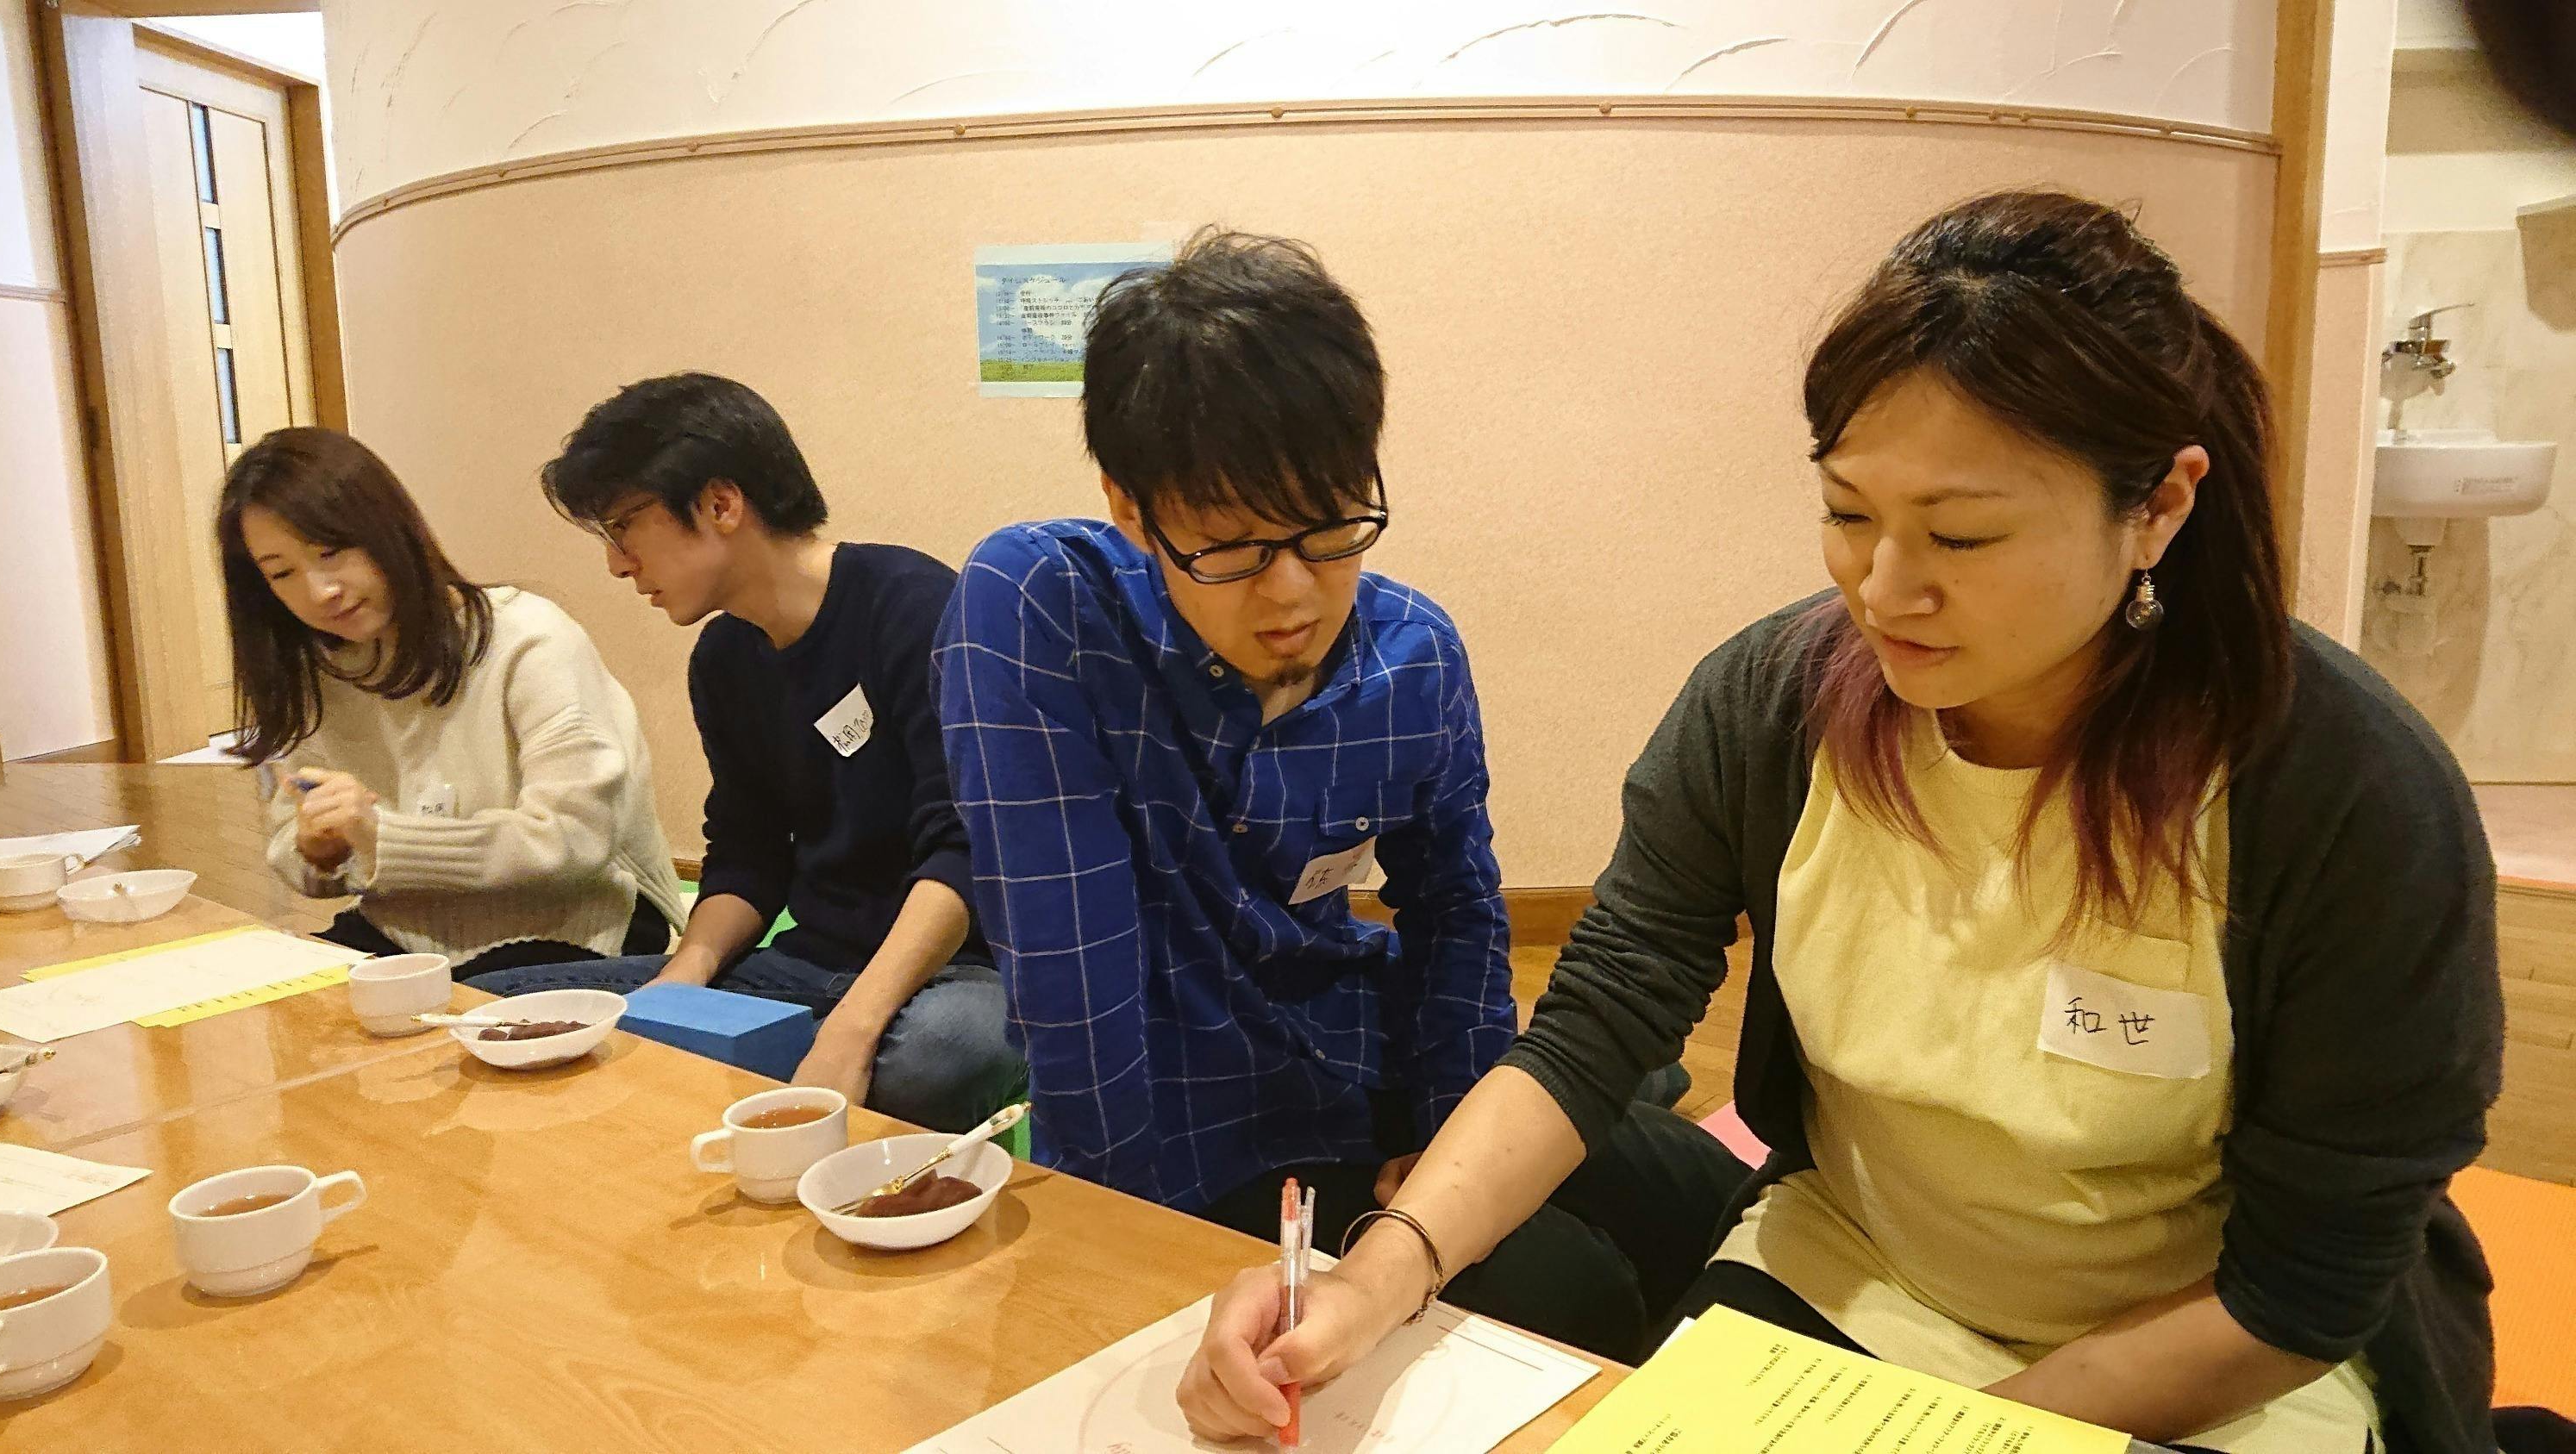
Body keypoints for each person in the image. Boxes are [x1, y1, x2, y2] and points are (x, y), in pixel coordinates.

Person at [1180, 192, 2505, 1454]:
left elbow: (2302, 1288)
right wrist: (1373, 1276)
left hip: (2210, 1355)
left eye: (1962, 537)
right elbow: (1603, 1018)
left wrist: (1971, 1429)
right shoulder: (1774, 702)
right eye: (1848, 514)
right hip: (1856, 1277)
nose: (1884, 589)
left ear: (2158, 504)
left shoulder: (2339, 790)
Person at [937, 228, 1658, 1357]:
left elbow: (1457, 909)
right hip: (1184, 1128)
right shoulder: (1041, 608)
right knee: (1579, 1290)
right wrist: (1125, 1254)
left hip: (1359, 1050)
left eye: (1330, 527)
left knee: (1683, 1199)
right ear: (1131, 505)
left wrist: (1448, 1136)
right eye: (1230, 545)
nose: (1292, 594)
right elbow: (1074, 975)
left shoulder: (1413, 656)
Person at [471, 374, 1020, 1134]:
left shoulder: (913, 606)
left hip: (953, 970)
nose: (618, 564)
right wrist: (682, 981)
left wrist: (852, 1030)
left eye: (624, 527)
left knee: (945, 1053)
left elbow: (964, 850)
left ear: (721, 504)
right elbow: (747, 853)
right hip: (803, 966)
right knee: (493, 998)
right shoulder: (724, 657)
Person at [220, 427, 687, 977]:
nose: (320, 590)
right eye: (281, 573)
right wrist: (321, 848)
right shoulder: (311, 673)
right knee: (275, 1004)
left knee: (465, 1023)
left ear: (388, 530)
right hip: (405, 932)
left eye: (331, 552)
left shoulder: (527, 638)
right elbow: (293, 848)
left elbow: (573, 839)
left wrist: (381, 838)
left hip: (572, 927)